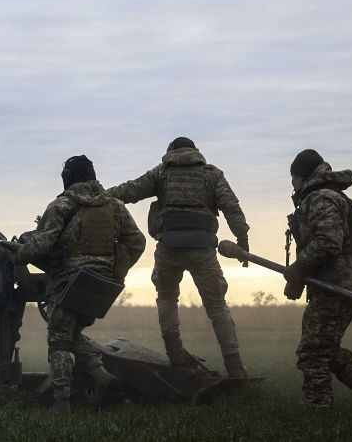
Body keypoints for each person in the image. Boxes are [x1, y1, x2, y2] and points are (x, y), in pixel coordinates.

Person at [0, 155, 145, 411]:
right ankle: (102, 377)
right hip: (102, 287)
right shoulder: (116, 206)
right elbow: (137, 243)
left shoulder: (62, 206)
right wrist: (115, 271)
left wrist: (15, 252)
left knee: (59, 341)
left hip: (70, 284)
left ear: (67, 177)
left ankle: (61, 402)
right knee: (73, 333)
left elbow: (39, 246)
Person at [106, 136, 249, 377]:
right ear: (195, 151)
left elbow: (130, 190)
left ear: (171, 151)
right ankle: (234, 367)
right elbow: (231, 206)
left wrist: (100, 196)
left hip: (169, 248)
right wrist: (242, 237)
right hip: (202, 249)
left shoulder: (161, 173)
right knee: (216, 306)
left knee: (166, 299)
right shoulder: (212, 175)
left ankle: (175, 357)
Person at [284, 149, 352, 413]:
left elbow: (328, 243)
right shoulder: (327, 195)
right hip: (341, 284)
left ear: (302, 176)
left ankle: (319, 415)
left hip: (336, 286)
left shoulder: (320, 198)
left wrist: (298, 268)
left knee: (313, 353)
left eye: (293, 177)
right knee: (325, 348)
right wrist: (298, 279)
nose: (292, 183)